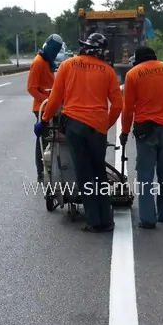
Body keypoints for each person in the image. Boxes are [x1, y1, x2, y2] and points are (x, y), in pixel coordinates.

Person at [34, 32, 123, 233]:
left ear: (84, 47)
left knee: (84, 174)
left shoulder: (67, 66)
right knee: (99, 173)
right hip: (97, 128)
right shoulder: (107, 71)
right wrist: (105, 125)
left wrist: (44, 121)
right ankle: (106, 219)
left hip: (75, 126)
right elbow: (118, 105)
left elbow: (55, 99)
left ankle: (94, 221)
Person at [119, 46, 163, 229]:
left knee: (145, 174)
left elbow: (128, 108)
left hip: (146, 129)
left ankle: (148, 219)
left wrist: (124, 131)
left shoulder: (133, 74)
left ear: (139, 59)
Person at [27, 34, 63, 181]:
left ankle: (54, 168)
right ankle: (41, 172)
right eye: (53, 49)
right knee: (43, 140)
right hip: (42, 107)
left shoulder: (48, 62)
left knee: (55, 138)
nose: (54, 52)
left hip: (52, 106)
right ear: (47, 46)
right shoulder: (38, 62)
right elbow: (31, 88)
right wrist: (46, 100)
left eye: (57, 50)